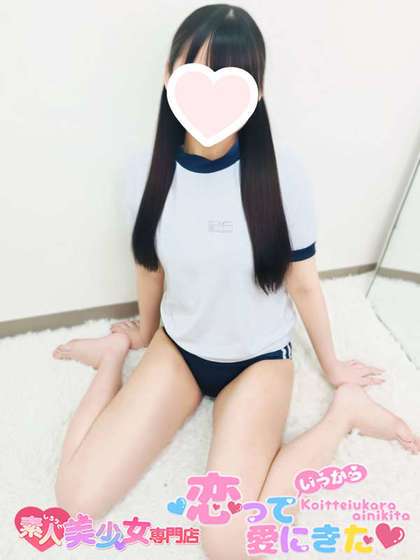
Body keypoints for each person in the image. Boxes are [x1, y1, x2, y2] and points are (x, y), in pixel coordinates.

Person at [52, 5, 420, 559]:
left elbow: (303, 284)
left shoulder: (283, 176)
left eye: (231, 80)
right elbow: (150, 266)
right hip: (179, 348)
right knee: (75, 499)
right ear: (169, 77)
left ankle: (344, 414)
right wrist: (142, 334)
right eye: (196, 74)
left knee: (227, 542)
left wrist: (333, 366)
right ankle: (110, 358)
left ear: (257, 92)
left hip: (258, 362)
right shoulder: (143, 174)